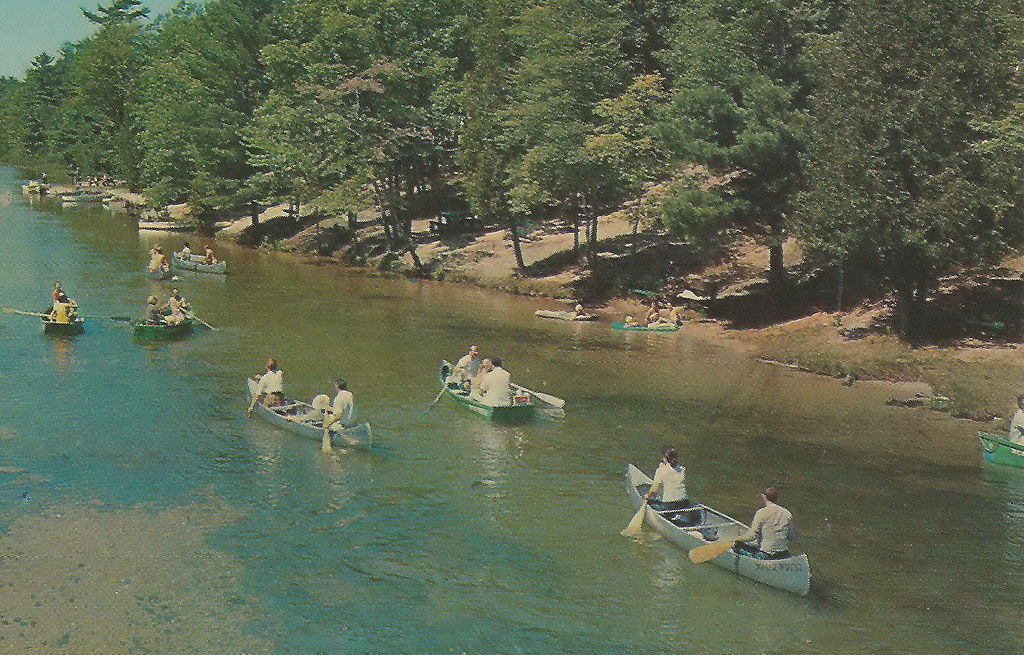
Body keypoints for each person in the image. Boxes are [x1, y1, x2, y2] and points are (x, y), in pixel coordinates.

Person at [734, 487, 796, 560]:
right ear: (777, 498)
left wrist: (737, 539)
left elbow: (752, 536)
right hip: (783, 554)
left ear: (764, 497)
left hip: (767, 555)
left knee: (737, 546)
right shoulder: (787, 513)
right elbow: (792, 537)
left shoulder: (761, 513)